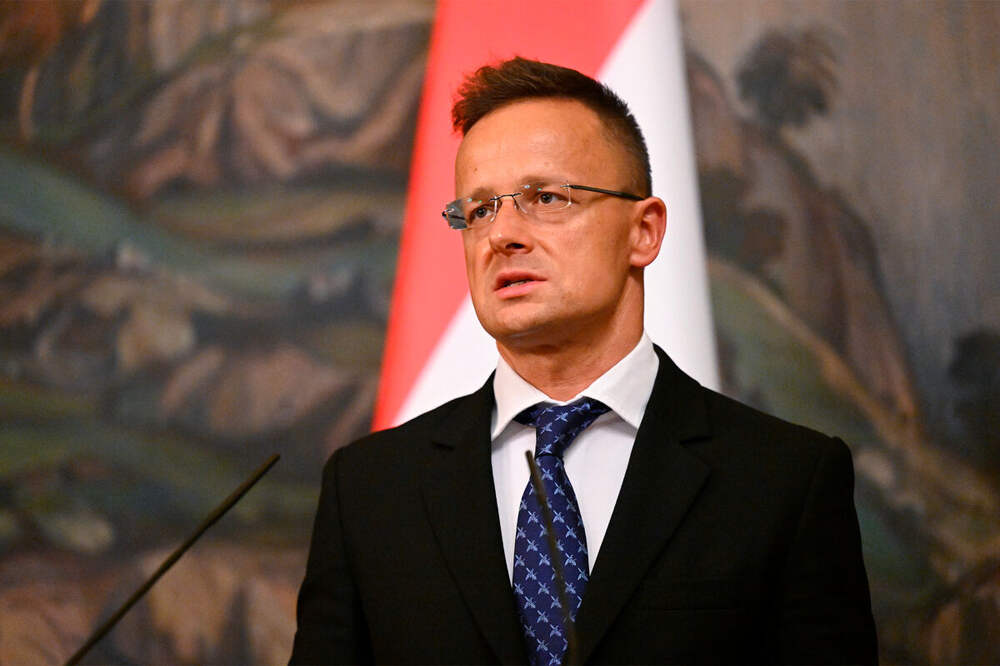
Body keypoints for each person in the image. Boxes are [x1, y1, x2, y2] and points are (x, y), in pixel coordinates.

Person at [290, 57, 878, 665]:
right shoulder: (369, 490)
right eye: (480, 209)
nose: (502, 235)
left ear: (643, 231)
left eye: (545, 197)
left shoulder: (784, 481)